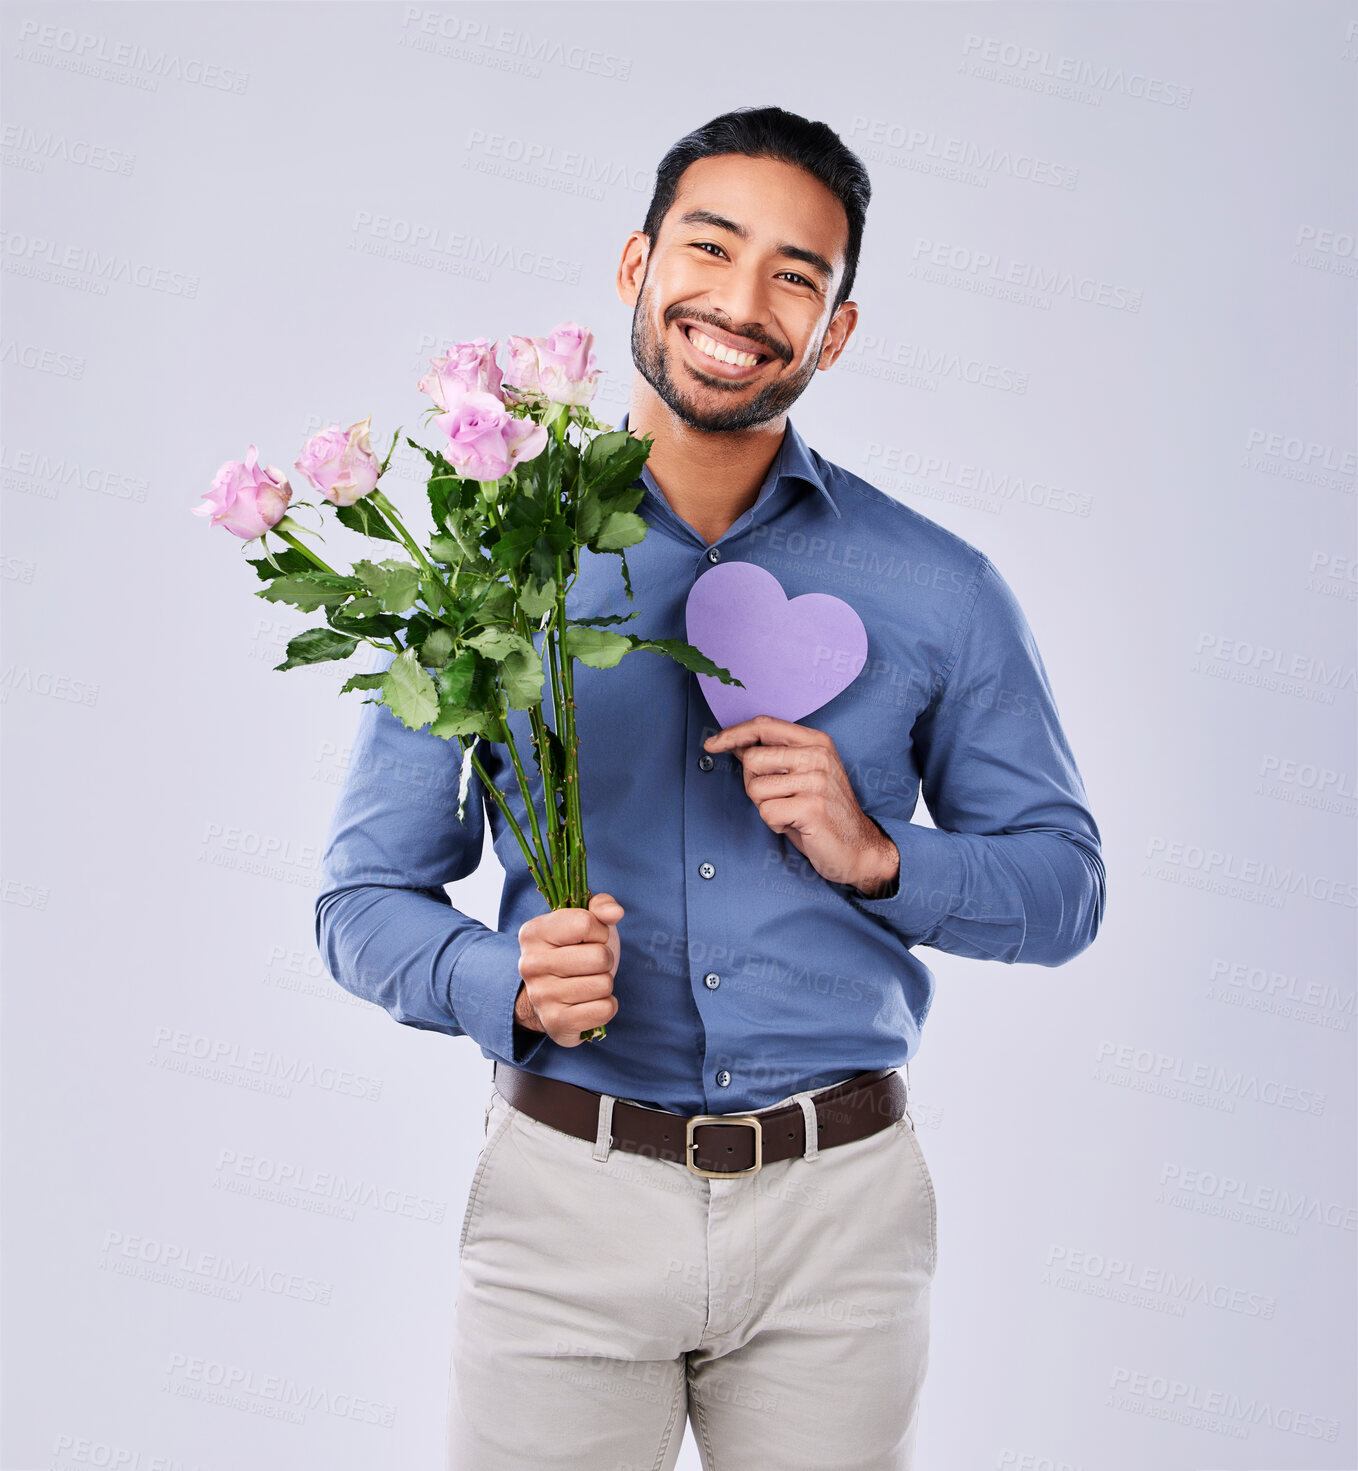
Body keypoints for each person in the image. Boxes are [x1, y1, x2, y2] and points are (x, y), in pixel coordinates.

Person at [315, 105, 1106, 1471]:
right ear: (635, 266)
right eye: (710, 248)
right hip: (566, 1195)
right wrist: (491, 979)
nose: (740, 305)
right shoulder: (485, 571)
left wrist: (881, 855)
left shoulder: (939, 588)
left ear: (834, 330)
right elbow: (362, 897)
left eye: (796, 275)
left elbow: (1064, 888)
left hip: (838, 1221)